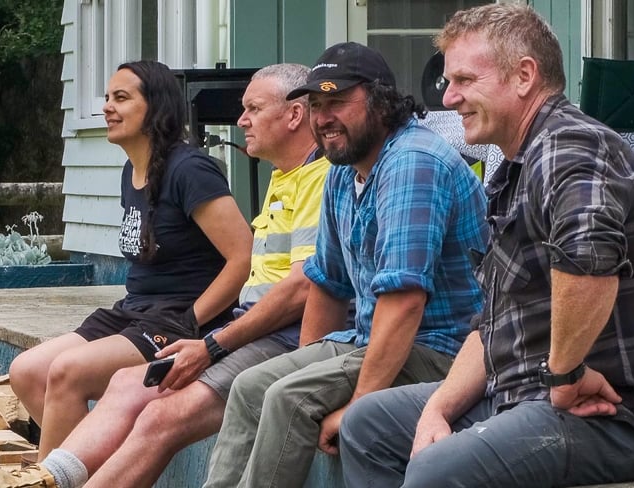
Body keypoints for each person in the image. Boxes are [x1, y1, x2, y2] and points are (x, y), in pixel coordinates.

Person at [338, 5, 634, 487]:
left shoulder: (573, 147)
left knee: (436, 470)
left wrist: (562, 378)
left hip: (622, 418)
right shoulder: (517, 167)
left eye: (465, 80)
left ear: (524, 76)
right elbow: (492, 324)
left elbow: (588, 261)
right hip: (523, 391)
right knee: (368, 424)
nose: (449, 98)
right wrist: (436, 409)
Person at [18, 63, 335, 488]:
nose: (241, 120)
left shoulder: (201, 171)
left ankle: (50, 478)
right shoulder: (284, 177)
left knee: (92, 383)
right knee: (35, 371)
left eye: (121, 97)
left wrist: (203, 331)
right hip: (180, 316)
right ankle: (50, 477)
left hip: (202, 321)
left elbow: (284, 278)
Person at [203, 42, 488, 488]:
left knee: (288, 399)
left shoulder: (412, 162)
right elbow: (328, 284)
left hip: (444, 350)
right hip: (366, 338)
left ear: (380, 101)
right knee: (251, 386)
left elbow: (405, 303)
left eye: (337, 101)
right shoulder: (342, 167)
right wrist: (305, 365)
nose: (322, 117)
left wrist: (357, 406)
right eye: (315, 104)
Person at [8, 60, 254, 459]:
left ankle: (52, 479)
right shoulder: (132, 170)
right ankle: (100, 470)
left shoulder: (190, 169)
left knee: (68, 373)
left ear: (155, 109)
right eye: (107, 97)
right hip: (136, 310)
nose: (107, 107)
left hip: (179, 316)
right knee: (27, 371)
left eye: (121, 98)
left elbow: (243, 257)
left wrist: (191, 322)